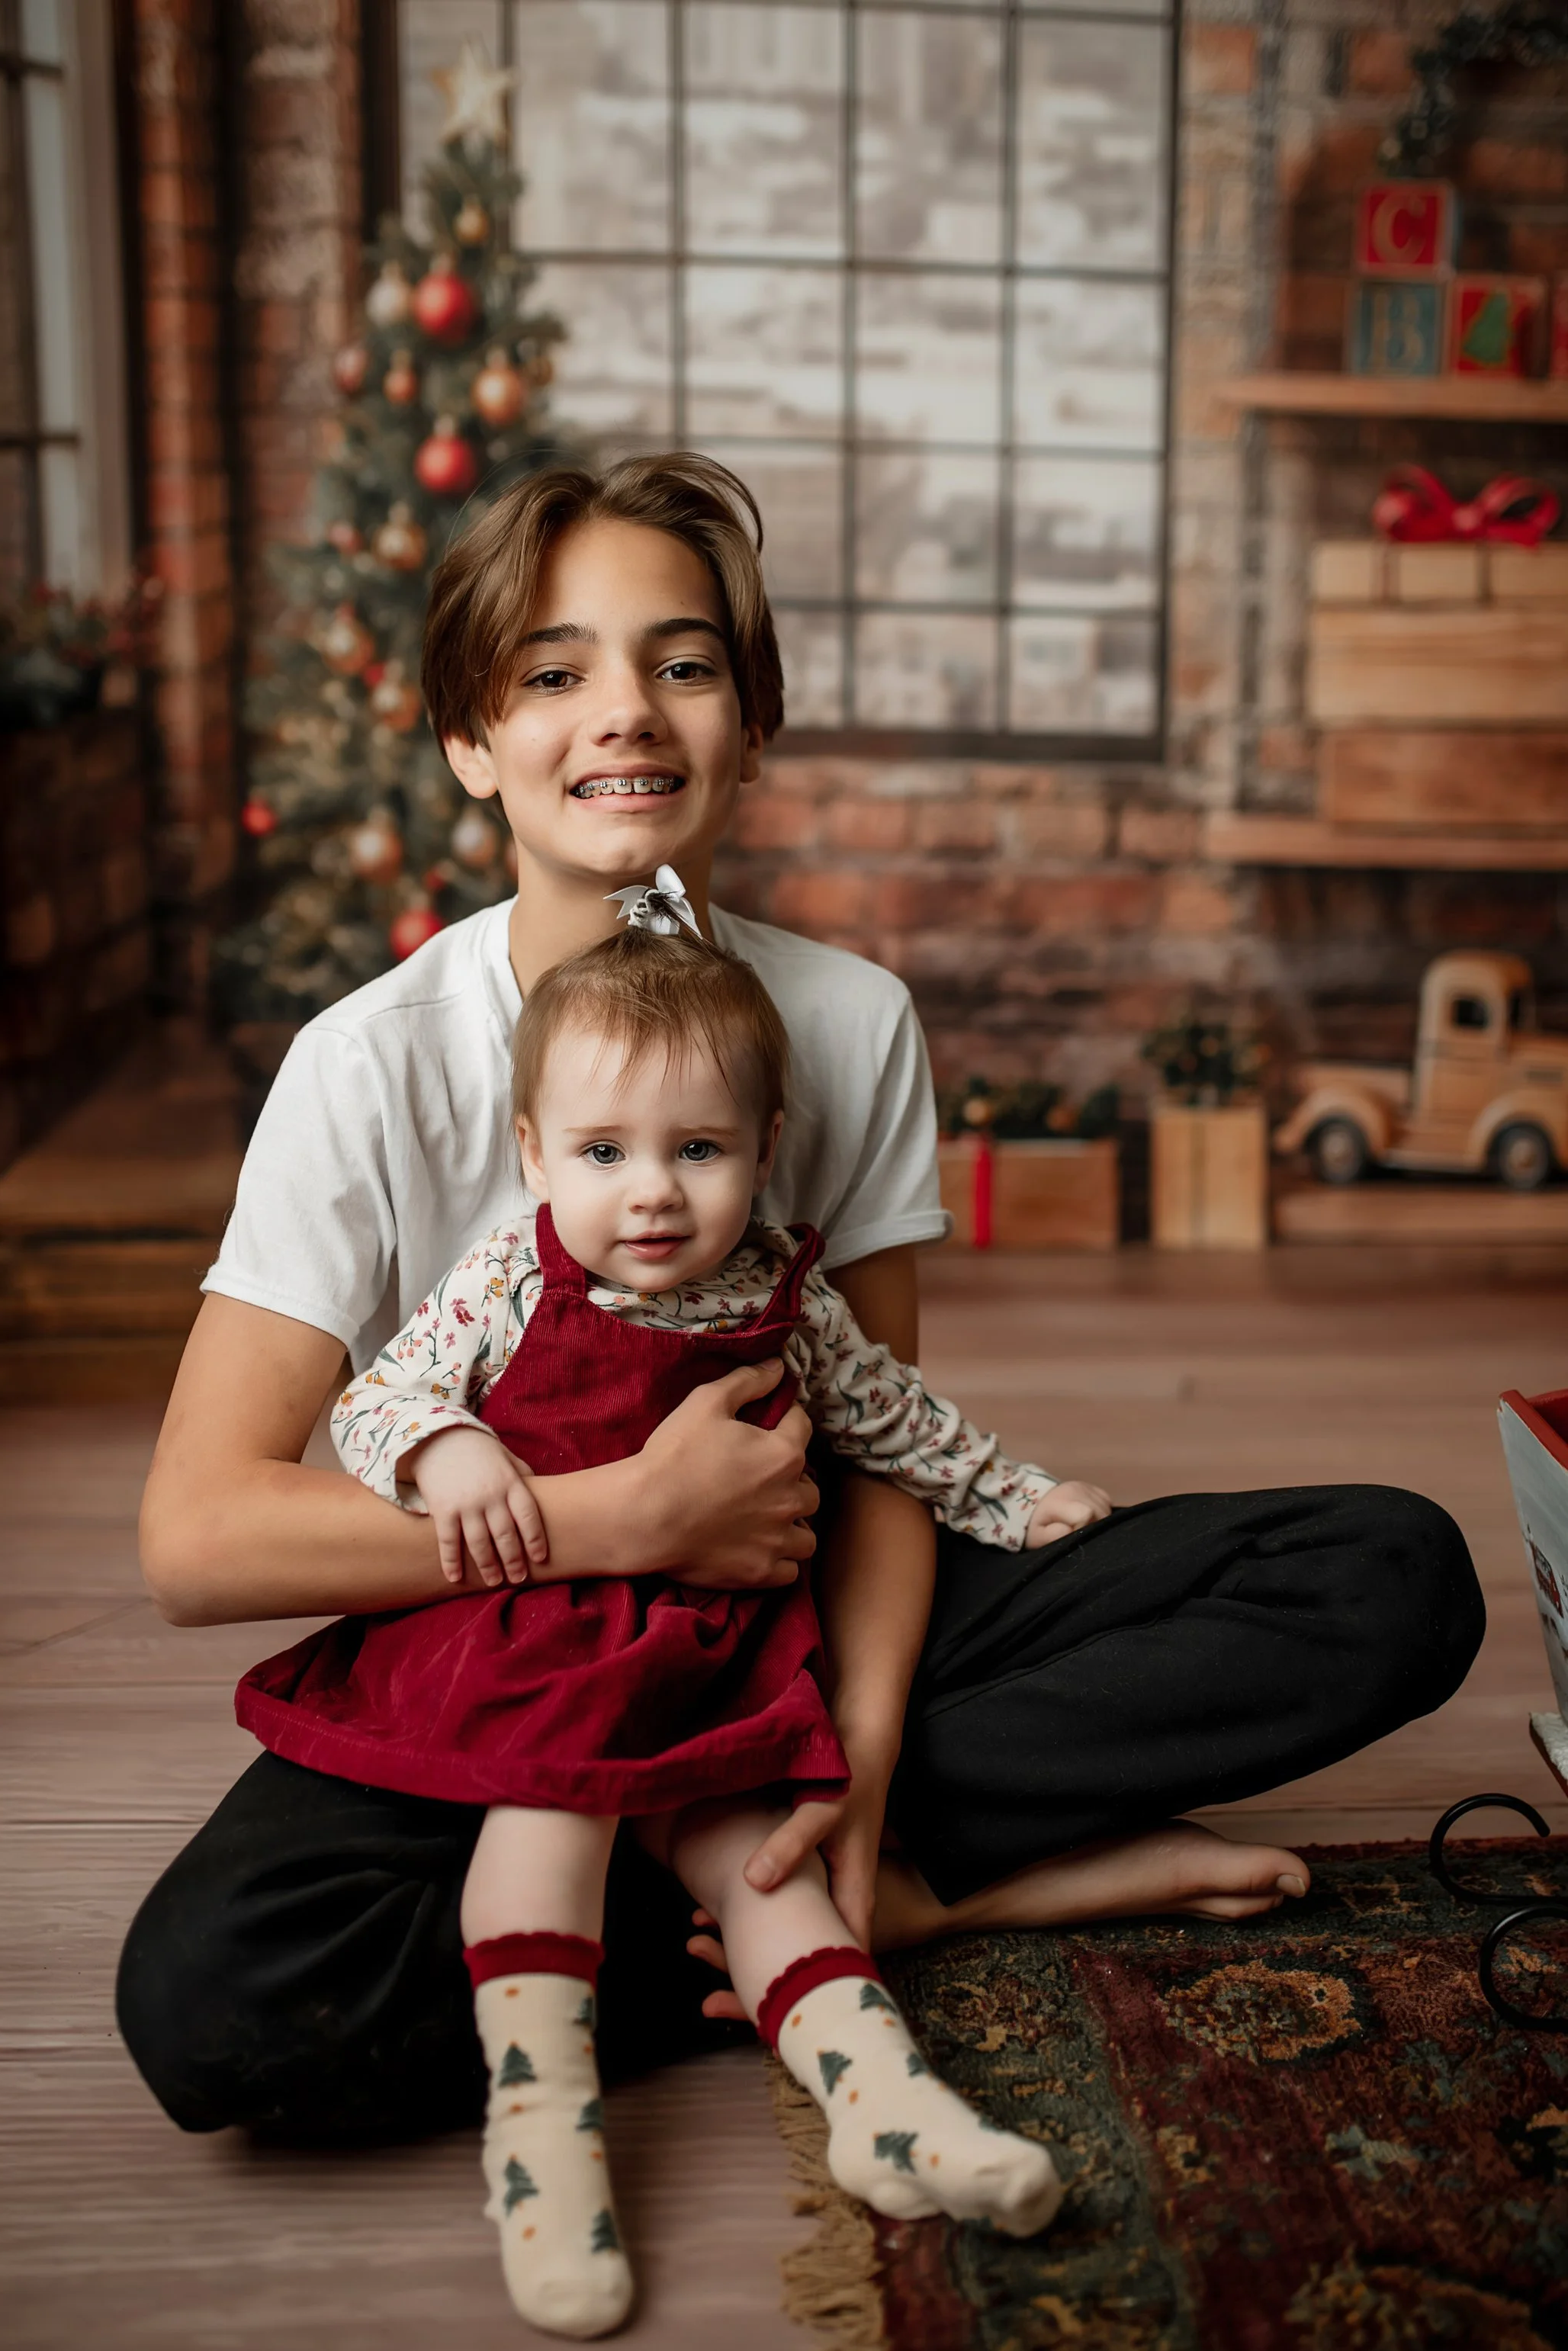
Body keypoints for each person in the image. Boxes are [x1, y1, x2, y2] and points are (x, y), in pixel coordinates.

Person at [120, 453, 1483, 2163]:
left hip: (775, 1634)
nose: (624, 711)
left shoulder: (843, 1021)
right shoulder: (365, 1061)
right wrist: (613, 1517)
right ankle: (867, 1912)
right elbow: (197, 1535)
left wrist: (853, 1741)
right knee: (212, 2002)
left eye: (681, 663)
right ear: (470, 740)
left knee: (1390, 1571)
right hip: (496, 1658)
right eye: (552, 672)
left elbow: (879, 1453)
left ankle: (824, 1873)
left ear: (749, 725)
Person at [243, 912, 1092, 2333]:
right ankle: (542, 2131)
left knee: (763, 1861)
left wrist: (1019, 1496)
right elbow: (373, 1399)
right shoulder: (510, 1277)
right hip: (538, 1637)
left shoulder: (783, 1293)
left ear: (763, 1149)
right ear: (534, 1155)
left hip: (717, 1644)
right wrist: (445, 1449)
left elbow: (896, 1421)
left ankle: (881, 2101)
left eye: (697, 1151)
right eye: (603, 1153)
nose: (651, 1192)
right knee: (551, 1812)